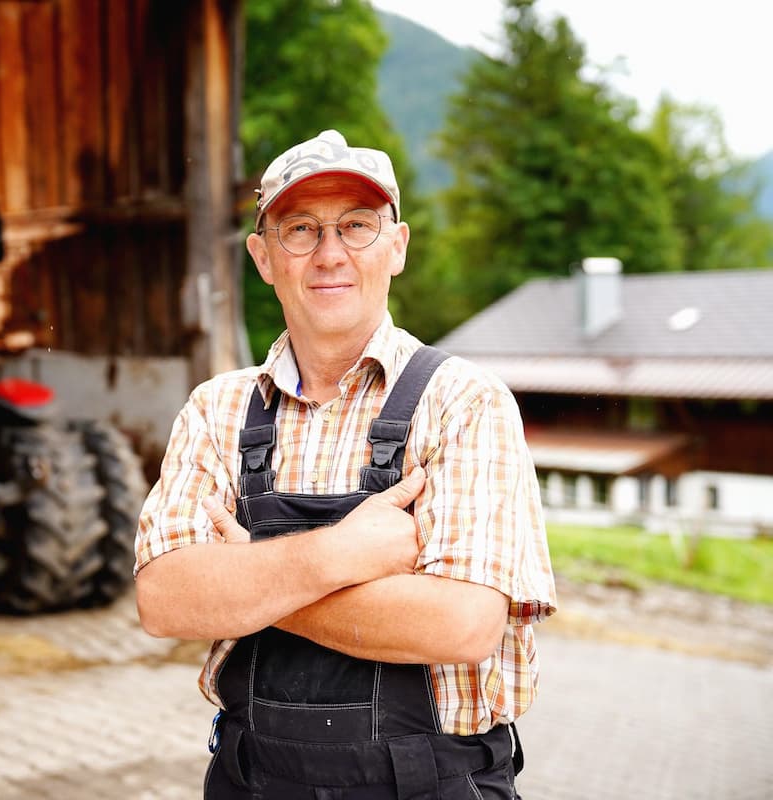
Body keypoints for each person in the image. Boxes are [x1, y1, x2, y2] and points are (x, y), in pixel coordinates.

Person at [133, 129, 556, 799]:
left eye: (356, 226)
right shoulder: (217, 410)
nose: (330, 254)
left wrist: (250, 579)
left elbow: (462, 625)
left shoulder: (464, 403)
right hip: (252, 781)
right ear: (263, 257)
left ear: (398, 245)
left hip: (428, 785)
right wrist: (340, 555)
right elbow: (164, 599)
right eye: (299, 229)